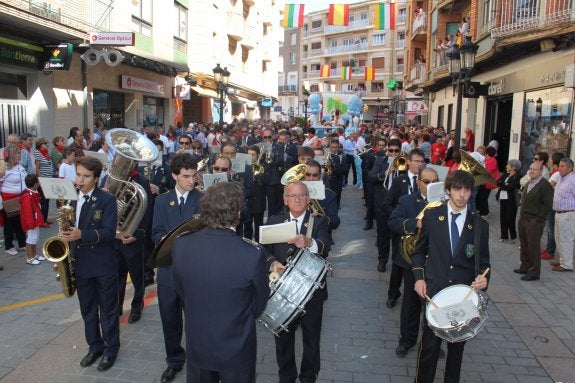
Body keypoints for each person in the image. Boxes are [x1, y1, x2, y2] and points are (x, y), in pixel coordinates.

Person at [172, 182, 269, 383]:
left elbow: (182, 292)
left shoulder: (181, 244)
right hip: (237, 350)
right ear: (238, 213)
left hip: (198, 345)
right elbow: (258, 305)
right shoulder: (252, 254)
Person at [412, 170, 490, 383]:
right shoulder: (431, 216)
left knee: (456, 352)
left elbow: (484, 264)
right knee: (429, 348)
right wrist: (419, 278)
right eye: (457, 189)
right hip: (435, 293)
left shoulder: (480, 225)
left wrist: (484, 280)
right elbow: (419, 252)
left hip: (462, 297)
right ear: (447, 190)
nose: (462, 195)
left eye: (466, 190)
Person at [265, 181, 330, 383]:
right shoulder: (275, 220)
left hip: (311, 292)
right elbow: (262, 250)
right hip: (283, 291)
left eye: (302, 195)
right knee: (283, 337)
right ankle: (286, 375)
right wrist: (273, 262)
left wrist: (310, 242)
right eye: (293, 196)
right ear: (285, 199)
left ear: (308, 198)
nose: (298, 199)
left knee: (311, 337)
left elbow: (325, 246)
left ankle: (309, 376)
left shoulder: (318, 221)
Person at [60, 156, 119, 371]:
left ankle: (111, 349)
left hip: (103, 264)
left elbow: (108, 232)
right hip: (81, 263)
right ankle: (95, 346)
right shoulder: (70, 199)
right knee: (87, 309)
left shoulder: (106, 200)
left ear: (96, 178)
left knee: (108, 310)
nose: (80, 180)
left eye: (86, 176)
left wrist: (80, 234)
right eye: (78, 175)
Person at [152, 153, 202, 383]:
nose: (191, 181)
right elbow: (156, 233)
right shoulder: (162, 201)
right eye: (186, 176)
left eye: (193, 176)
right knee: (169, 320)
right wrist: (167, 240)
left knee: (196, 320)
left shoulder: (202, 200)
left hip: (194, 273)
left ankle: (198, 360)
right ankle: (174, 360)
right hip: (168, 272)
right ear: (174, 176)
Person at [388, 167, 439, 357]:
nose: (430, 185)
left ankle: (432, 342)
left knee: (434, 304)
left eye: (435, 181)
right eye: (427, 182)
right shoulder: (407, 201)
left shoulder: (443, 203)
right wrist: (415, 223)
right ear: (418, 182)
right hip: (412, 261)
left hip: (436, 262)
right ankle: (407, 341)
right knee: (411, 305)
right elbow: (393, 223)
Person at [383, 148, 426, 307]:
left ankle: (416, 295)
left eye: (422, 162)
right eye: (417, 161)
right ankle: (393, 294)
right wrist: (399, 218)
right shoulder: (398, 180)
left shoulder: (427, 183)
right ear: (408, 162)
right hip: (402, 230)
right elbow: (387, 204)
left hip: (421, 233)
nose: (420, 164)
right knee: (398, 264)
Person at [116, 165, 153, 323]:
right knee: (117, 275)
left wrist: (137, 234)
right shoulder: (113, 179)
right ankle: (117, 306)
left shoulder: (141, 181)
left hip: (133, 236)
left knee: (137, 275)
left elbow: (147, 210)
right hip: (115, 236)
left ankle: (137, 306)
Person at [514, 161, 554, 280]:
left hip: (534, 220)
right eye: (530, 169)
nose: (531, 171)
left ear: (541, 171)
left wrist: (538, 219)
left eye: (535, 169)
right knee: (524, 244)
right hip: (524, 218)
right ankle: (525, 266)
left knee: (533, 246)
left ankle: (534, 272)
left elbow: (547, 204)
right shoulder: (529, 182)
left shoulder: (544, 185)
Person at [369, 138, 401, 272]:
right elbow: (371, 177)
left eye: (396, 151)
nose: (393, 153)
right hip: (382, 201)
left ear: (400, 151)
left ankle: (397, 262)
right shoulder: (380, 161)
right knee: (382, 233)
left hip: (398, 203)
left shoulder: (405, 163)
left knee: (398, 235)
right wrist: (386, 173)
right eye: (391, 151)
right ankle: (382, 260)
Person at [1, 146, 27, 256]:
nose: (20, 155)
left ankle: (22, 243)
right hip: (9, 199)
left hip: (20, 197)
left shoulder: (19, 166)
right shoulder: (5, 168)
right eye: (18, 153)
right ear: (12, 154)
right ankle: (9, 246)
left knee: (19, 222)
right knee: (9, 224)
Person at [550, 158, 575, 272]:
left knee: (566, 239)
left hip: (568, 213)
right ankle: (562, 260)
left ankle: (567, 264)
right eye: (559, 165)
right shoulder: (560, 178)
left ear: (570, 168)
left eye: (563, 166)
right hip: (558, 212)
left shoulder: (573, 179)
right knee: (559, 238)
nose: (559, 168)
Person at [19, 174, 45, 265]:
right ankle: (30, 258)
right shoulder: (28, 196)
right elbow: (27, 213)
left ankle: (34, 255)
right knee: (30, 239)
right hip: (31, 222)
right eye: (38, 182)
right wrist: (31, 224)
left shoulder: (32, 193)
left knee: (35, 238)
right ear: (35, 184)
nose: (39, 184)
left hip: (34, 221)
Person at [496, 159, 522, 243]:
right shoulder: (505, 174)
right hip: (503, 197)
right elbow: (498, 182)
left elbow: (512, 186)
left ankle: (513, 236)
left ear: (513, 167)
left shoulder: (518, 176)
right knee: (502, 216)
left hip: (512, 199)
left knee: (510, 218)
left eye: (508, 165)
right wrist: (505, 185)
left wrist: (504, 185)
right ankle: (504, 236)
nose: (507, 166)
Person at [33, 137, 54, 225]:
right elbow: (37, 168)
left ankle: (45, 218)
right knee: (43, 201)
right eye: (45, 143)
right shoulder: (38, 153)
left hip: (48, 179)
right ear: (40, 145)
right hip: (43, 180)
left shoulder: (46, 153)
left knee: (47, 201)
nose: (47, 145)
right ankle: (42, 221)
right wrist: (41, 179)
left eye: (47, 143)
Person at [475, 146, 499, 217]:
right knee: (481, 196)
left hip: (487, 182)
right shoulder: (488, 159)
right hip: (484, 181)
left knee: (483, 197)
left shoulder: (492, 160)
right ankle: (482, 210)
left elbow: (488, 171)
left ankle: (484, 212)